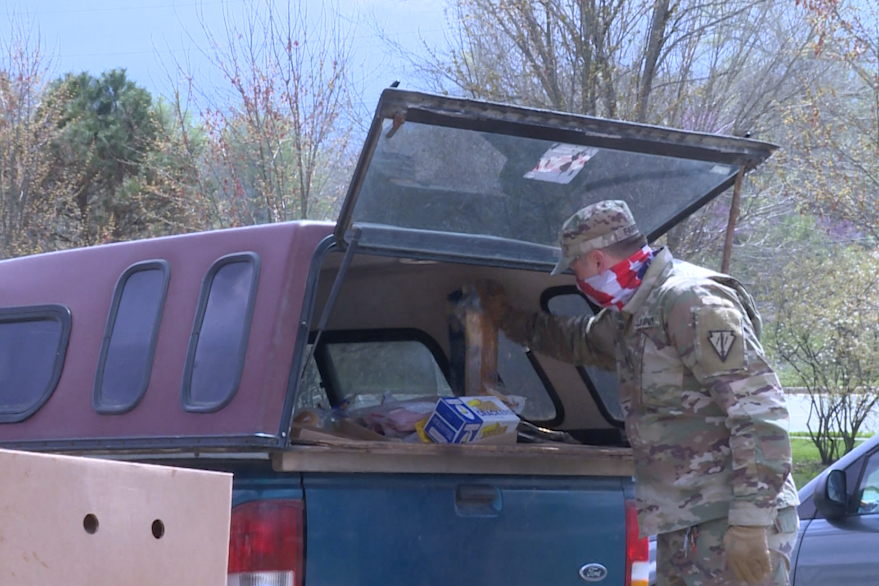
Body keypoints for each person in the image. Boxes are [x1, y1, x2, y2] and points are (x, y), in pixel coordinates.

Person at [478, 200, 800, 586]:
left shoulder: (691, 301)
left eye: (575, 267)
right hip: (685, 521)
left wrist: (749, 523)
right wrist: (507, 320)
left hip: (731, 520)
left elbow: (759, 411)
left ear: (596, 261)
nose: (576, 278)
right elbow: (580, 340)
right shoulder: (637, 312)